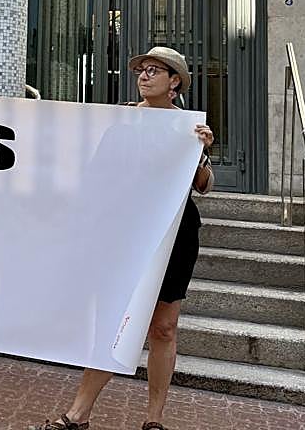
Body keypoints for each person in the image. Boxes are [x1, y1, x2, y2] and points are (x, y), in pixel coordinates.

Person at [33, 46, 215, 430]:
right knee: (114, 323)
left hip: (175, 233)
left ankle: (154, 420)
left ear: (175, 82)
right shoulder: (121, 121)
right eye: (141, 70)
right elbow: (97, 177)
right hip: (127, 232)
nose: (144, 76)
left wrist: (200, 152)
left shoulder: (188, 127)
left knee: (164, 327)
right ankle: (78, 414)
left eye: (154, 70)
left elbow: (203, 186)